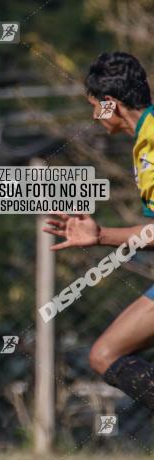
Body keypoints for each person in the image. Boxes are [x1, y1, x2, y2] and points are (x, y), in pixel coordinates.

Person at [45, 52, 154, 412]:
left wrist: (102, 235)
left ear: (111, 103)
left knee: (106, 354)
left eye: (95, 106)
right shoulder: (144, 138)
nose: (94, 116)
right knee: (105, 354)